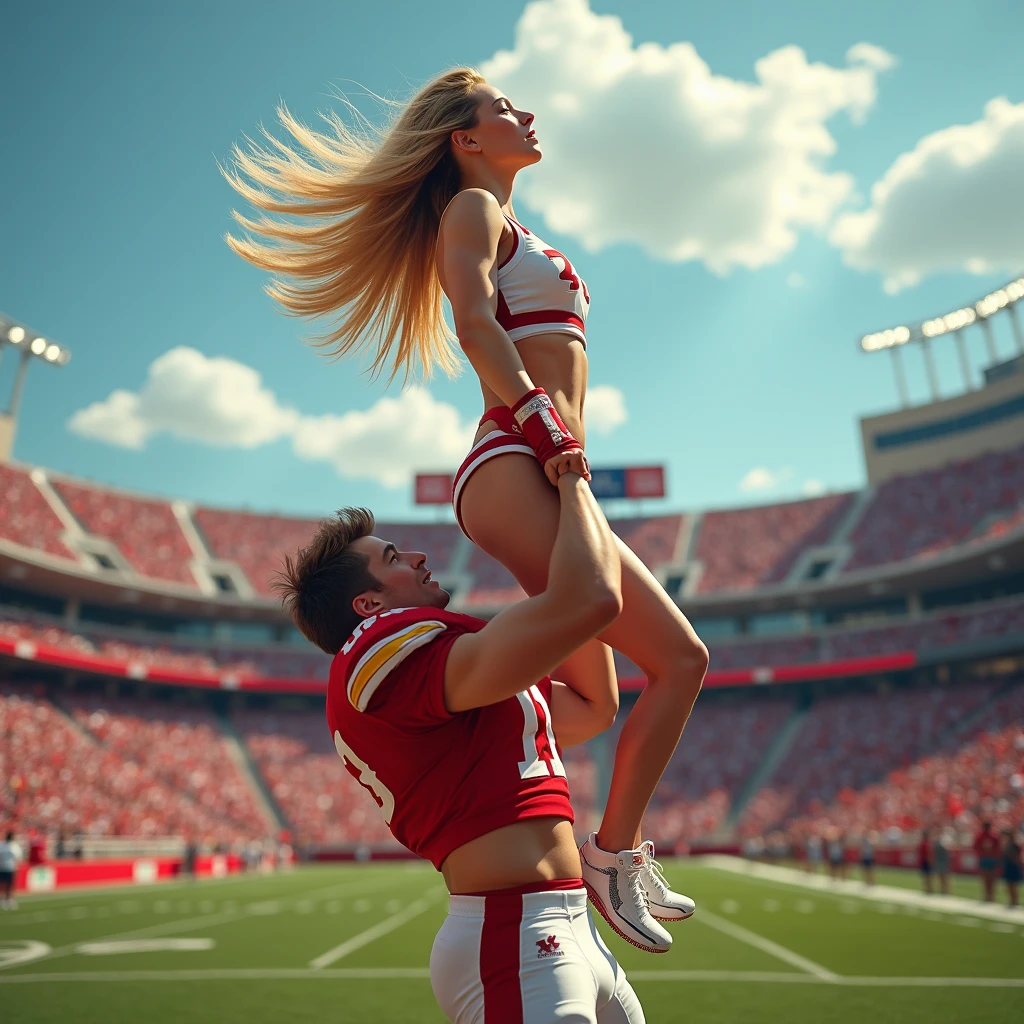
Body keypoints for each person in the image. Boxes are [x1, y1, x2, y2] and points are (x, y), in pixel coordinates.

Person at [225, 67, 708, 953]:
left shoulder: (503, 214)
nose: (526, 112)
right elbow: (473, 322)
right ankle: (615, 853)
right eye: (502, 108)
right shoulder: (473, 210)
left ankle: (610, 851)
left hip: (541, 456)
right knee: (680, 658)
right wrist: (541, 421)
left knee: (598, 699)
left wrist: (551, 437)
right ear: (465, 139)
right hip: (521, 455)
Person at [277, 476, 645, 1021]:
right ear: (369, 603)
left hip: (568, 923)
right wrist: (567, 490)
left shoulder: (445, 672)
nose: (421, 557)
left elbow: (594, 705)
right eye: (395, 557)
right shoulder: (375, 649)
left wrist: (554, 560)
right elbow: (589, 598)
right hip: (512, 935)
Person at [974, 821, 1001, 902]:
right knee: (990, 878)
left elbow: (976, 847)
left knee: (988, 878)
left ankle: (988, 896)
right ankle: (990, 896)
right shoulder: (992, 836)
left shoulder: (984, 836)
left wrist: (981, 855)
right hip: (989, 858)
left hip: (987, 858)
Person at [0, 830, 23, 909]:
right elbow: (18, 857)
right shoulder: (13, 846)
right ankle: (9, 900)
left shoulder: (1, 845)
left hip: (2, 867)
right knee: (9, 885)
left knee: (3, 885)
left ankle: (4, 900)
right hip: (10, 868)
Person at [1001, 829, 1021, 909]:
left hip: (1013, 866)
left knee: (1013, 885)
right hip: (1008, 866)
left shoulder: (1014, 845)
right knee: (1008, 885)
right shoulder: (1007, 844)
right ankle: (1012, 900)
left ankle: (1015, 901)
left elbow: (1016, 856)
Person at [933, 828, 952, 895]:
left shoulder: (945, 840)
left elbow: (949, 851)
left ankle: (946, 890)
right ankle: (943, 890)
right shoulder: (936, 841)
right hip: (939, 860)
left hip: (944, 860)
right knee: (940, 876)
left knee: (945, 876)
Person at [918, 829, 933, 895]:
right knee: (928, 876)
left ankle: (928, 889)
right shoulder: (926, 843)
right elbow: (928, 853)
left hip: (924, 861)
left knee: (926, 876)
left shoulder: (923, 843)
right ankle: (928, 889)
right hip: (926, 861)